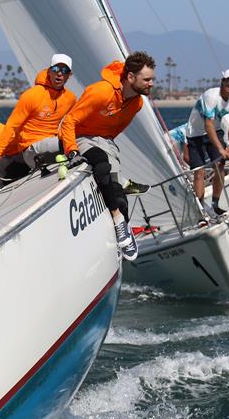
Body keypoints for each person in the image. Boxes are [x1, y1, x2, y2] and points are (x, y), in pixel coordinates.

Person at [58, 51, 156, 261]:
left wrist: (109, 148)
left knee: (119, 196)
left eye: (151, 79)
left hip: (105, 141)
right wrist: (72, 150)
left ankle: (120, 238)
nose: (151, 84)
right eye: (147, 79)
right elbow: (68, 122)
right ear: (130, 77)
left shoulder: (136, 103)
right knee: (101, 165)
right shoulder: (101, 92)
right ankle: (118, 220)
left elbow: (113, 129)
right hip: (81, 137)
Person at [0, 54, 77, 186]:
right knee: (70, 145)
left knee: (79, 140)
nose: (60, 74)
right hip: (30, 151)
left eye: (64, 71)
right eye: (56, 69)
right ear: (49, 71)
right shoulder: (32, 95)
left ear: (69, 75)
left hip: (51, 145)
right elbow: (11, 126)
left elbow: (74, 123)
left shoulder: (70, 99)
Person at [185, 68, 229, 218]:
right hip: (195, 134)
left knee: (220, 165)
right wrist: (221, 148)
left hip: (215, 131)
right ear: (222, 80)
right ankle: (200, 212)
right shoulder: (211, 96)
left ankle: (215, 204)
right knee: (200, 172)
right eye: (228, 80)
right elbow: (207, 125)